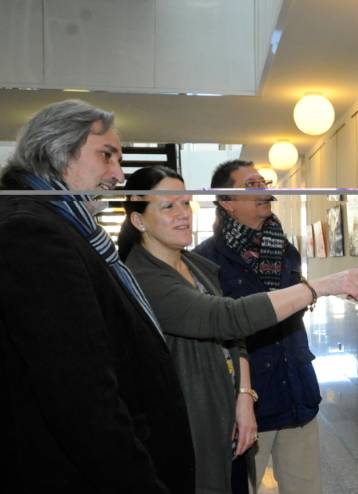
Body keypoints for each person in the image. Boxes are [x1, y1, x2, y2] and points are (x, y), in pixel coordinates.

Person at [118, 165, 358, 494]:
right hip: (208, 414)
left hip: (288, 390)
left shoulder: (205, 265)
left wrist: (243, 395)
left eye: (185, 203)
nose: (183, 213)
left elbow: (234, 337)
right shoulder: (163, 271)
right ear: (139, 220)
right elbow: (228, 318)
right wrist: (320, 287)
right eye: (169, 205)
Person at [0, 99, 195, 493]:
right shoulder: (33, 233)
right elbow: (80, 395)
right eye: (106, 156)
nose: (119, 175)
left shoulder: (65, 228)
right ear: (57, 151)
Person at [194, 160, 321, 494]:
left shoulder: (286, 250)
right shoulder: (205, 260)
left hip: (298, 394)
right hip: (249, 407)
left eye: (263, 182)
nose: (263, 190)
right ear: (226, 201)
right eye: (251, 185)